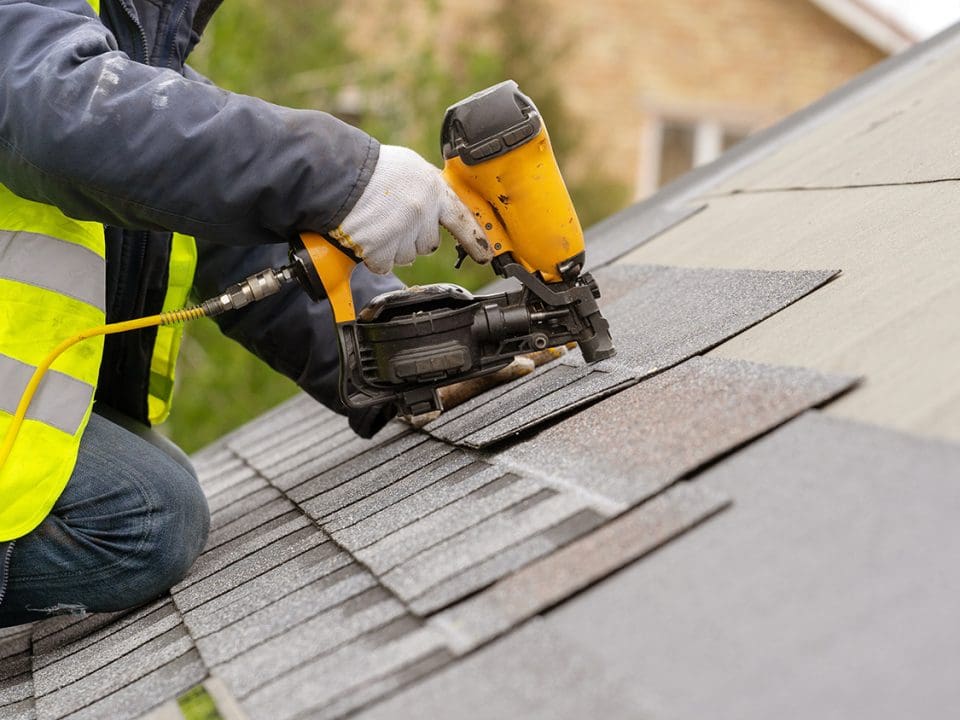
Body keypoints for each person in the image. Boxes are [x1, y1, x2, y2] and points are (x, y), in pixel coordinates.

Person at [0, 0, 491, 627]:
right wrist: (343, 174)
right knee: (143, 515)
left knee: (151, 478)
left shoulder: (125, 49)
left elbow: (227, 230)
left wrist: (401, 345)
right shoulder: (65, 61)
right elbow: (70, 113)